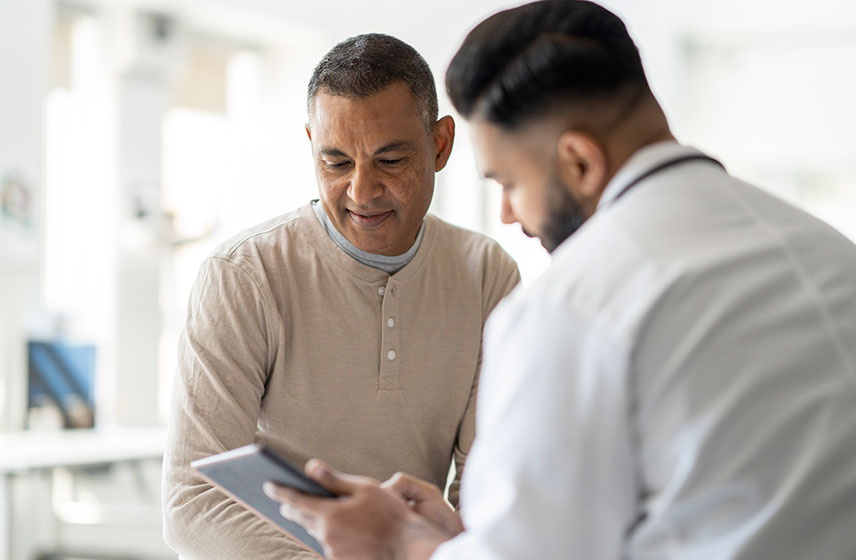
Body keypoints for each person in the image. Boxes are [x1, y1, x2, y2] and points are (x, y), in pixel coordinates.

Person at [264, 1, 856, 559]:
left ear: (579, 162)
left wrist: (396, 542)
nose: (508, 216)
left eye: (508, 183)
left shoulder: (572, 305)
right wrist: (466, 539)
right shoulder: (827, 251)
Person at [161, 33, 520, 559]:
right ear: (311, 145)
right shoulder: (243, 276)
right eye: (335, 163)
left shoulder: (487, 275)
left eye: (390, 160)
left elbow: (486, 491)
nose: (361, 191)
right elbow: (192, 503)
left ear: (440, 144)